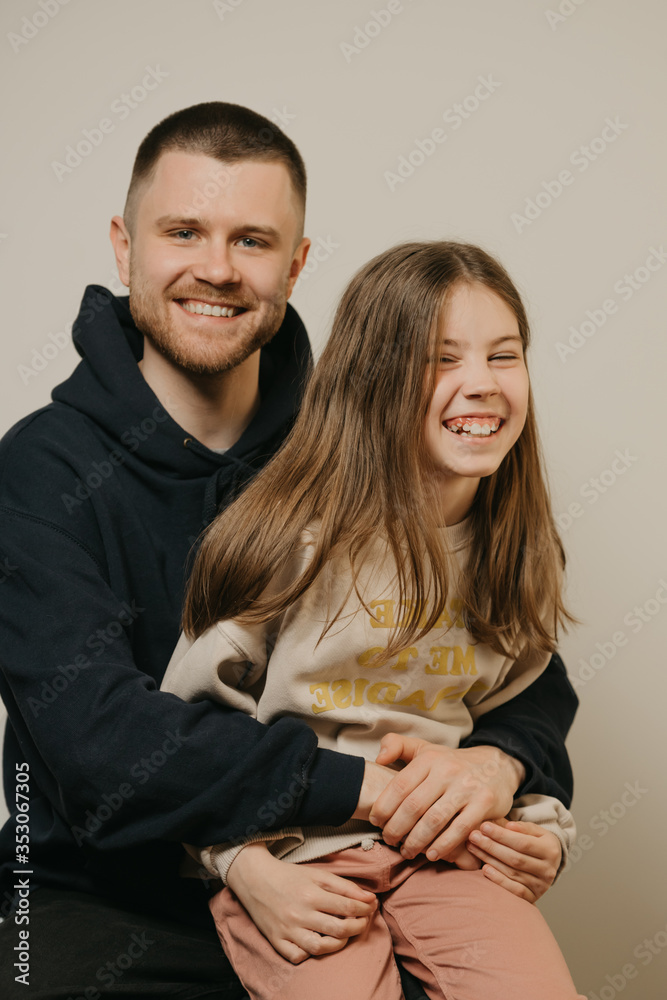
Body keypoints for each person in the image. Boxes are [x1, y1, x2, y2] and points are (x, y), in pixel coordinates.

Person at [0, 103, 577, 1000]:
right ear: (124, 247)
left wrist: (496, 771)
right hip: (97, 890)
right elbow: (97, 743)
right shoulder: (37, 471)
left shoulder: (361, 440)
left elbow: (513, 658)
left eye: (254, 241)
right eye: (183, 231)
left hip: (349, 862)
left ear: (297, 263)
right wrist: (367, 791)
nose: (217, 269)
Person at [161, 240, 585, 1000]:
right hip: (294, 856)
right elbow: (182, 741)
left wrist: (540, 826)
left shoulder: (514, 547)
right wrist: (237, 864)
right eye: (441, 359)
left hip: (445, 855)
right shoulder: (287, 542)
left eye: (504, 355)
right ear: (372, 378)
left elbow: (518, 713)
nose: (481, 385)